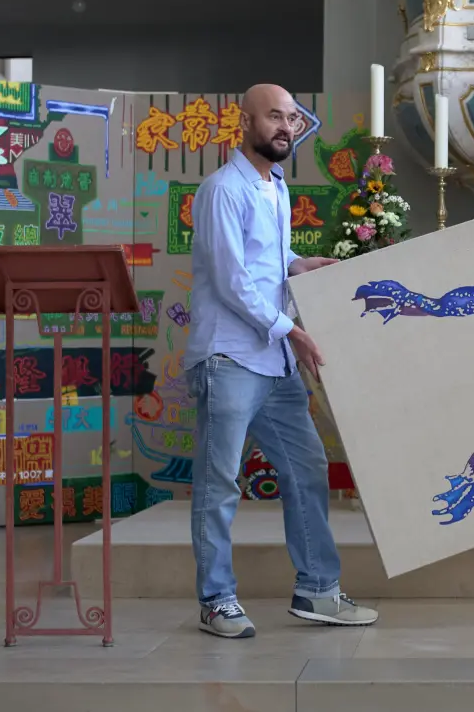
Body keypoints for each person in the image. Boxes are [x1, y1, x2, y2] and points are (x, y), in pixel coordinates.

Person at [184, 83, 378, 637]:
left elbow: (265, 259)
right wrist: (292, 330)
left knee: (307, 468)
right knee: (220, 483)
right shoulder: (223, 189)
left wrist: (299, 264)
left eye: (292, 118)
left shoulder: (275, 188)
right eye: (274, 116)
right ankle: (216, 600)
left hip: (273, 362)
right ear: (243, 121)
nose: (285, 127)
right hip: (230, 356)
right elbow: (229, 280)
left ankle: (317, 590)